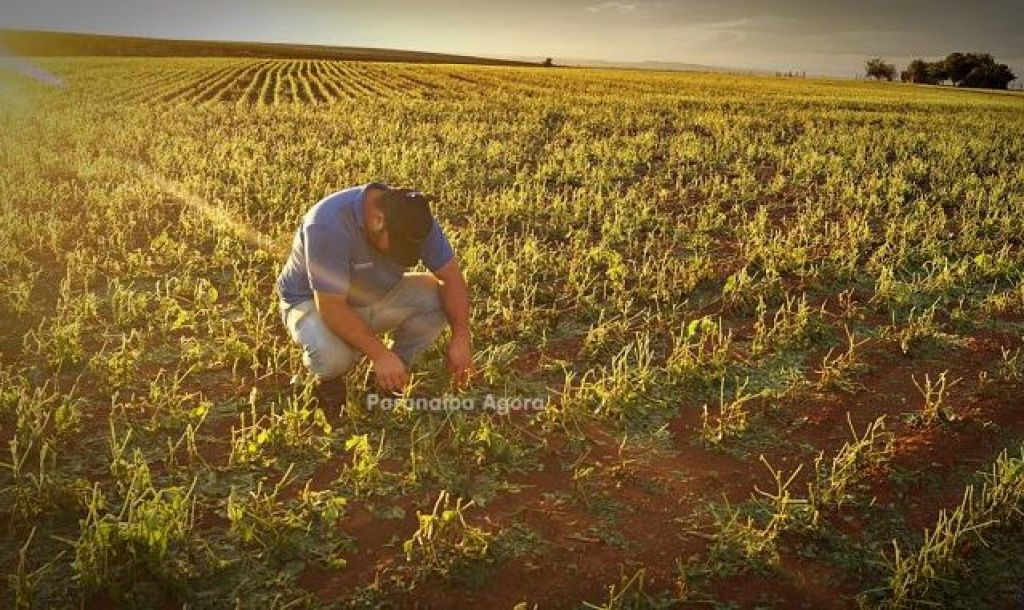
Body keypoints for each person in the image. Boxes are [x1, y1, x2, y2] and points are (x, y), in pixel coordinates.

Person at [276, 183, 475, 412]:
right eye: (399, 249)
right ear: (377, 221)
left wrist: (461, 337)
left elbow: (452, 278)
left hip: (371, 294)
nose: (404, 254)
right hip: (312, 302)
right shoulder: (326, 224)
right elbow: (331, 308)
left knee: (437, 298)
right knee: (333, 357)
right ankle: (328, 383)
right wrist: (379, 353)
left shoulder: (412, 217)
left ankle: (392, 375)